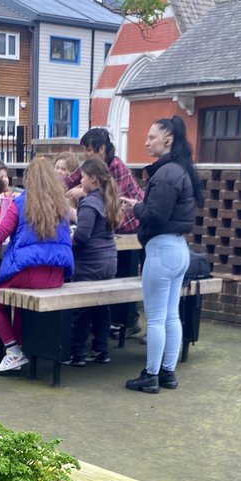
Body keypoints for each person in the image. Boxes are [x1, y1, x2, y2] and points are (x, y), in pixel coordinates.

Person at [120, 116, 203, 394]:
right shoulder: (180, 170)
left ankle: (151, 375)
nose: (146, 142)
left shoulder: (166, 173)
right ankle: (167, 372)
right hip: (179, 249)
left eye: (152, 137)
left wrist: (135, 209)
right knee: (170, 315)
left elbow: (155, 215)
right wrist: (142, 205)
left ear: (168, 139)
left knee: (155, 318)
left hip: (162, 250)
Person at [0, 154, 74, 374]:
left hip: (26, 272)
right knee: (20, 305)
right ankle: (22, 347)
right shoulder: (61, 206)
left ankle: (14, 351)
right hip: (56, 275)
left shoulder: (20, 202)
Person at [65, 128, 144, 334]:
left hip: (130, 225)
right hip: (109, 236)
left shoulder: (116, 167)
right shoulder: (90, 169)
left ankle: (128, 323)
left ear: (101, 149)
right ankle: (105, 336)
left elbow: (112, 198)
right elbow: (69, 180)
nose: (86, 154)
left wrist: (84, 192)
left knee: (122, 271)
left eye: (89, 150)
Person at [67, 157, 121, 367]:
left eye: (83, 177)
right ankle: (102, 349)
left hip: (90, 264)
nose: (80, 181)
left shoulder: (90, 202)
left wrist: (66, 241)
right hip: (109, 261)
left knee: (81, 309)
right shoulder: (108, 199)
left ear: (94, 180)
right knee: (101, 307)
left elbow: (82, 237)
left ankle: (77, 353)